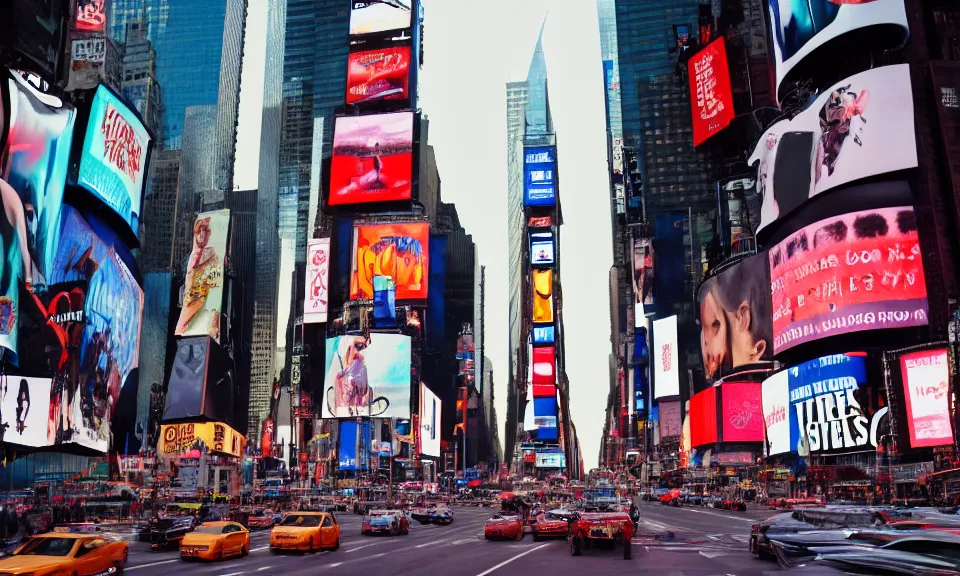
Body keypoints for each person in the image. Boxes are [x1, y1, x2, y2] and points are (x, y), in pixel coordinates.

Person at [177, 217, 223, 338]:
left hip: (202, 325)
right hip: (186, 324)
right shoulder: (192, 258)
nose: (202, 235)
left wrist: (214, 322)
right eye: (199, 231)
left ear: (209, 234)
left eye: (205, 230)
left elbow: (216, 293)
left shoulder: (212, 258)